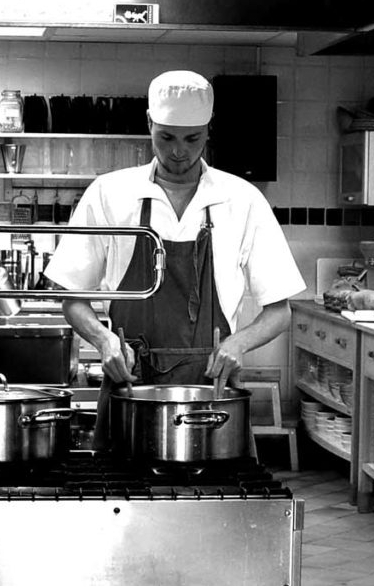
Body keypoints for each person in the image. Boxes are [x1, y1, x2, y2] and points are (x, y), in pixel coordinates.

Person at [45, 70, 305, 448]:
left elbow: (280, 311)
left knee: (214, 501)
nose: (179, 151)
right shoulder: (110, 193)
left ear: (209, 130)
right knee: (122, 501)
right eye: (166, 137)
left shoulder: (242, 200)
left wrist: (239, 344)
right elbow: (71, 296)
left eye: (192, 138)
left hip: (209, 394)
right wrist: (104, 341)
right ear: (149, 123)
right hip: (131, 386)